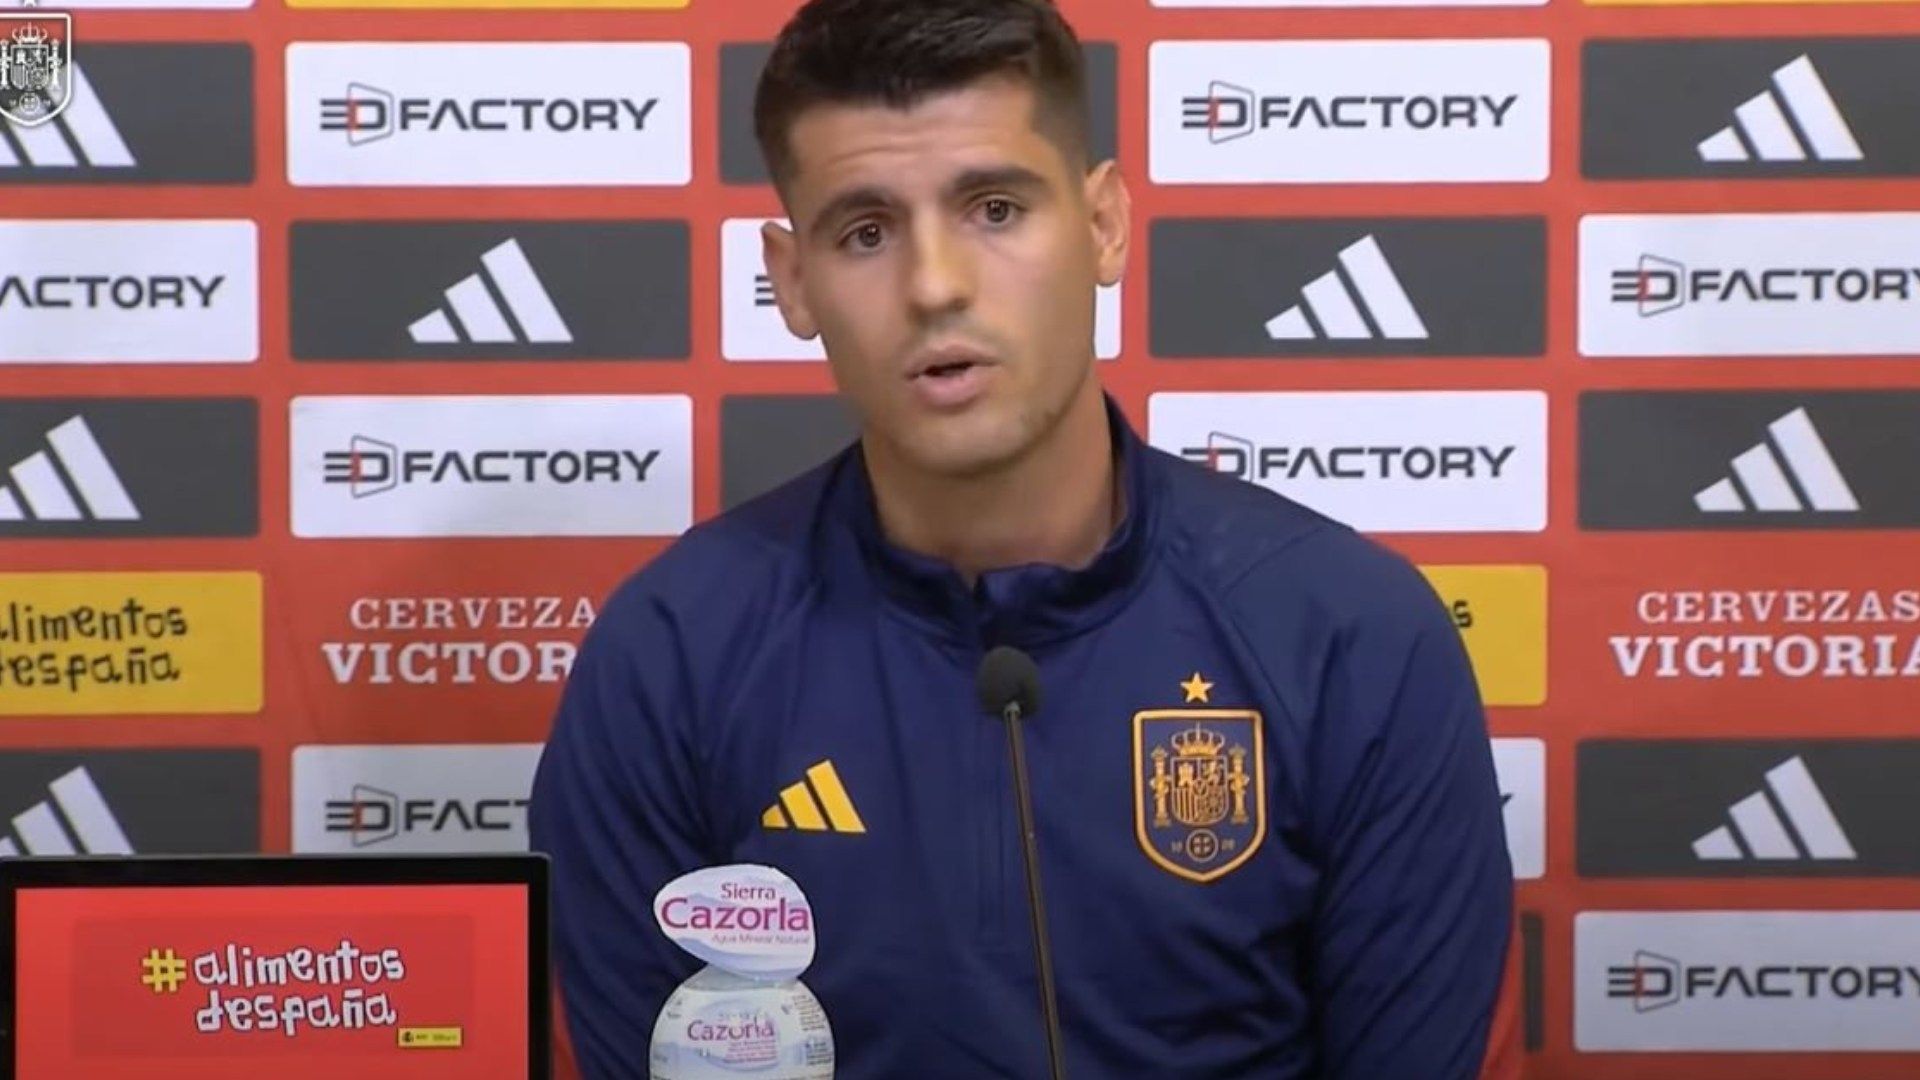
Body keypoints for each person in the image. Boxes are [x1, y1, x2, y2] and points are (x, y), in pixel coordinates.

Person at [528, 0, 1519, 1075]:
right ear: (794, 280)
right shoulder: (671, 657)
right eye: (866, 232)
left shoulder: (1352, 636)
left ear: (1104, 226)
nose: (934, 285)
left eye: (994, 209)